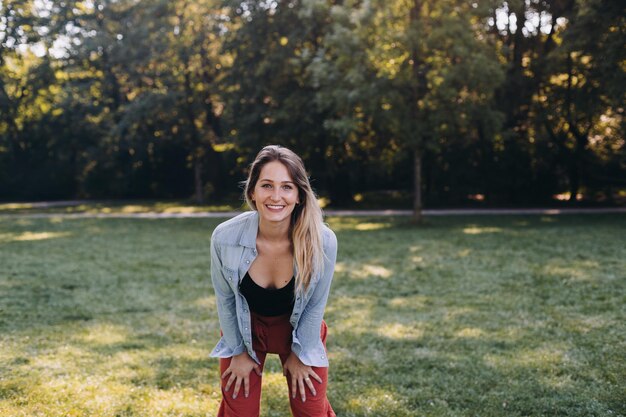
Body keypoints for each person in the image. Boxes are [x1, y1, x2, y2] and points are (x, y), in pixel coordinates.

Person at [210, 145, 338, 417]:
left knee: (311, 410)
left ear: (300, 195)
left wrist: (301, 354)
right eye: (267, 185)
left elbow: (316, 305)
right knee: (239, 411)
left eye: (287, 187)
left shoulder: (322, 240)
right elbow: (226, 299)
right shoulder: (224, 237)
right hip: (244, 331)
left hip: (300, 329)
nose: (276, 196)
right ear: (253, 192)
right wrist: (238, 352)